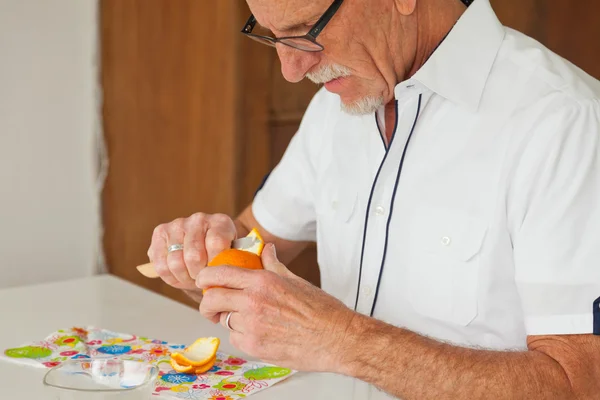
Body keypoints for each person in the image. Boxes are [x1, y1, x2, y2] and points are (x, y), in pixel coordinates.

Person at [146, 0, 600, 398]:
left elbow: (580, 384)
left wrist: (342, 340)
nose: (291, 69)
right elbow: (251, 243)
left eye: (306, 30)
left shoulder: (564, 122)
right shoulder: (338, 101)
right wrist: (200, 254)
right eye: (273, 36)